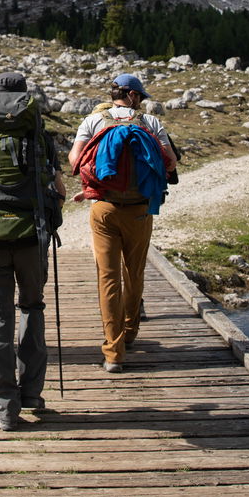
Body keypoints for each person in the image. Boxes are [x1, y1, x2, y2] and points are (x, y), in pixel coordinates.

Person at [0, 71, 65, 431]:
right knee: (32, 308)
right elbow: (57, 186)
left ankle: (5, 406)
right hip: (32, 236)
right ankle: (32, 393)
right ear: (25, 96)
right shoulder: (39, 134)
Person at [67, 73, 176, 374]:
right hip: (140, 209)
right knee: (134, 273)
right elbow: (170, 162)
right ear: (133, 96)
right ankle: (130, 332)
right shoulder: (150, 123)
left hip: (104, 208)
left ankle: (113, 353)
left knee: (108, 277)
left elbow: (75, 160)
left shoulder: (92, 122)